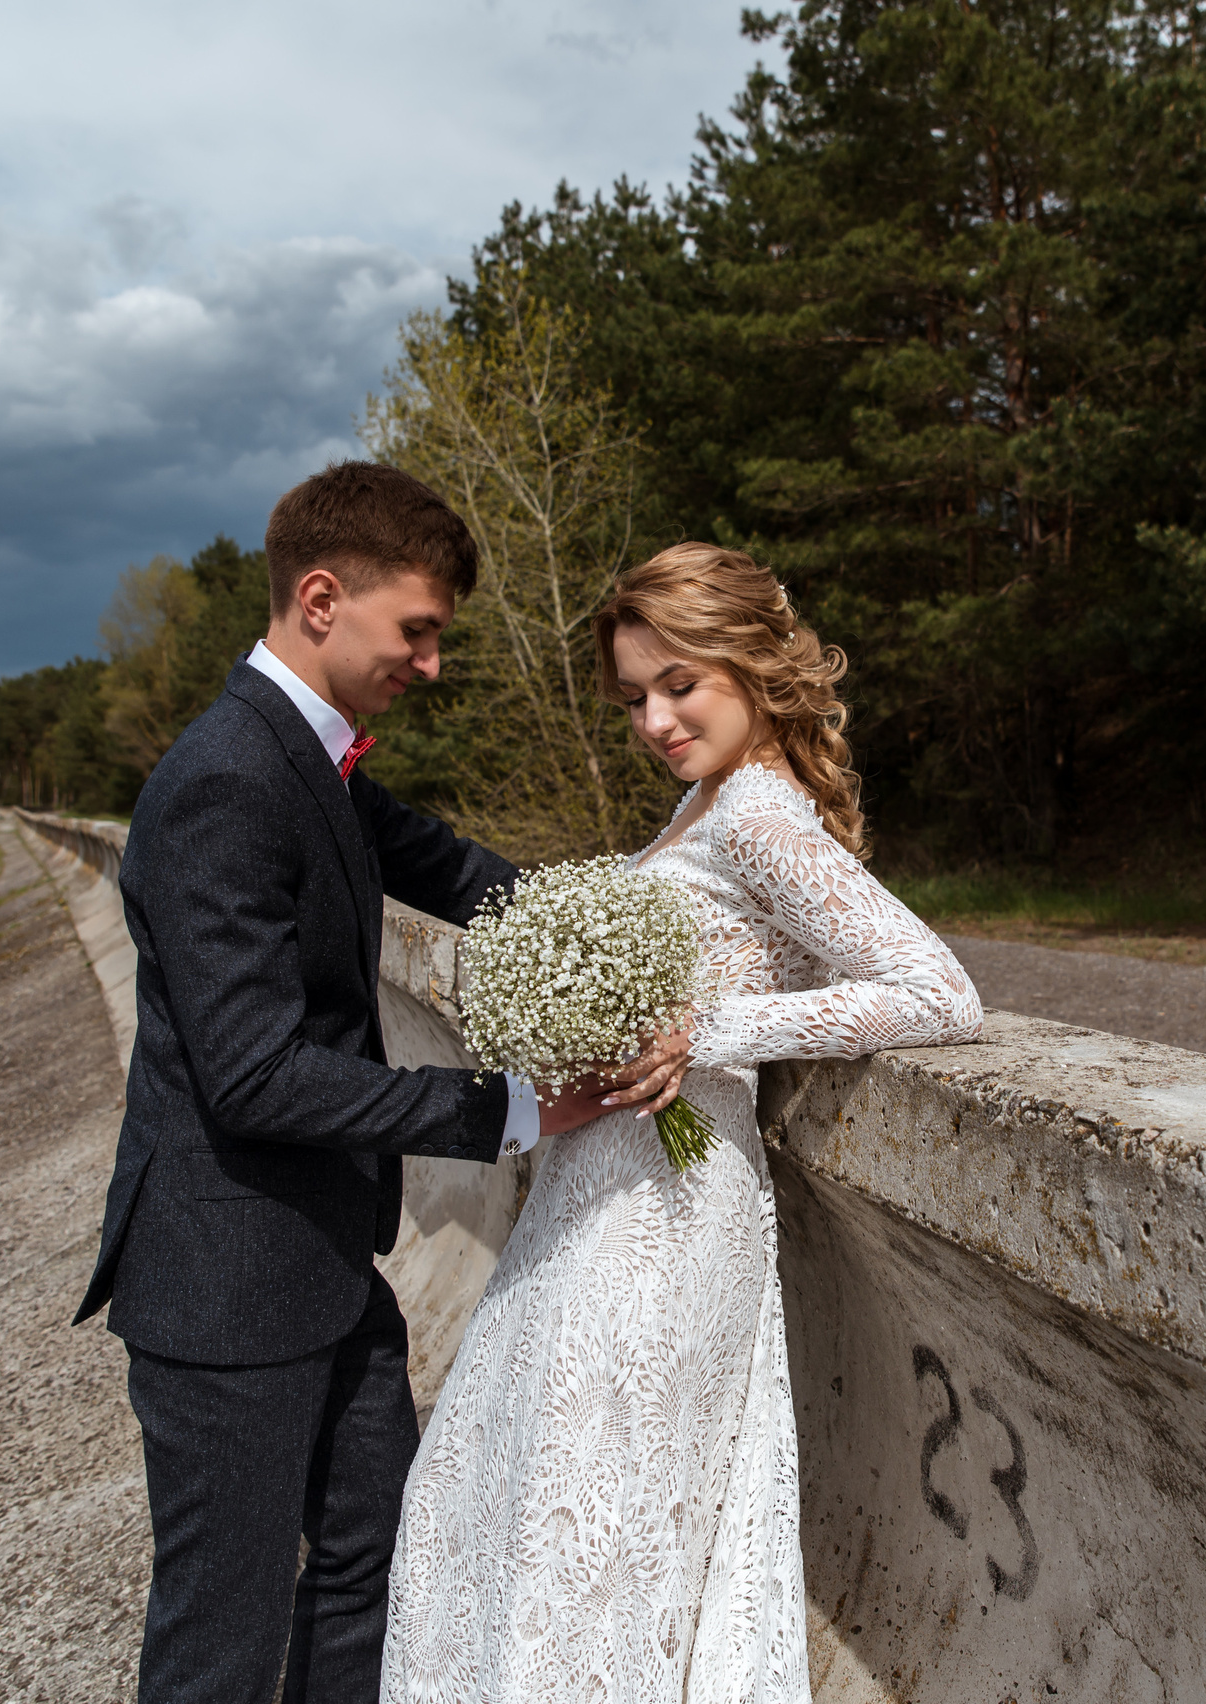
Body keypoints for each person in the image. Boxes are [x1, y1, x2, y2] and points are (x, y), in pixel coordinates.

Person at [73, 462, 670, 1704]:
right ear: (323, 598)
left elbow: (452, 869)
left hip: (325, 1269)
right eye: (420, 632)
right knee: (222, 1639)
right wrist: (507, 1108)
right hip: (224, 1288)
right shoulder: (226, 782)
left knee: (372, 1563)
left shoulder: (312, 757)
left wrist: (633, 944)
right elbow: (253, 1076)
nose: (432, 663)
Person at [383, 542, 986, 1701]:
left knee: (594, 1526)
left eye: (681, 685)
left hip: (664, 1220)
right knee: (517, 1499)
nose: (655, 720)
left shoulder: (759, 815)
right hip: (594, 1201)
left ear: (754, 668)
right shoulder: (700, 805)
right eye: (633, 699)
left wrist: (700, 1033)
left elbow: (936, 993)